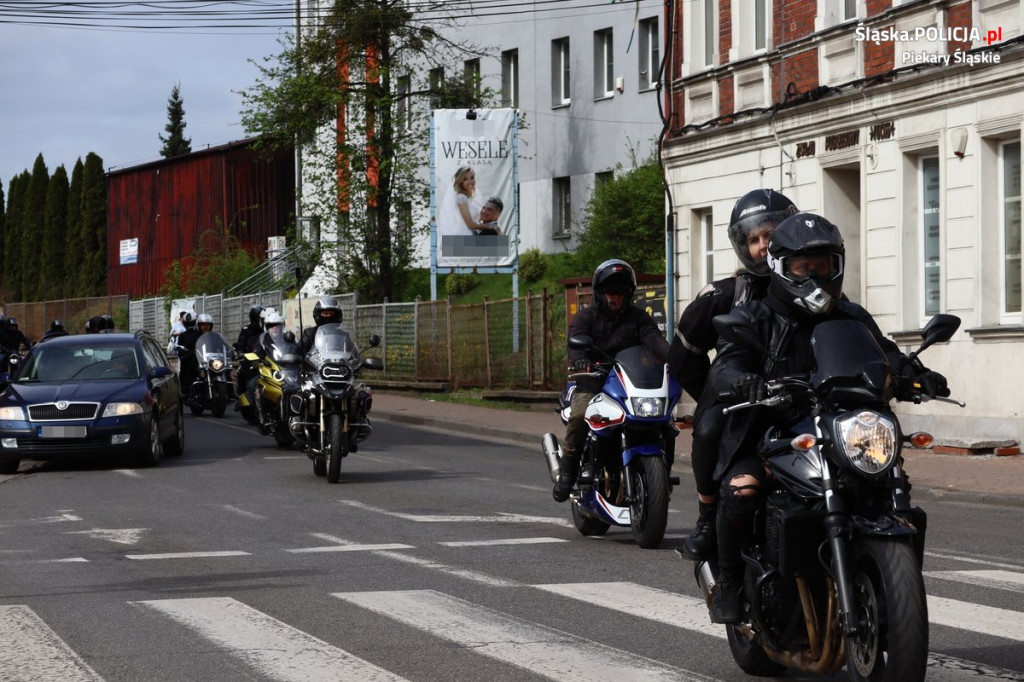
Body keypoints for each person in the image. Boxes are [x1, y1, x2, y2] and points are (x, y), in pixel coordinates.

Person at [704, 212, 949, 625]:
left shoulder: (851, 315)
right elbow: (725, 364)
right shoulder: (756, 317)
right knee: (742, 490)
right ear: (781, 268)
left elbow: (884, 353)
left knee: (892, 483)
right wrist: (741, 380)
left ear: (837, 266)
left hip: (845, 429)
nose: (815, 276)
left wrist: (914, 374)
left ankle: (891, 588)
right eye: (804, 267)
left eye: (823, 266)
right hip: (773, 431)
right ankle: (729, 581)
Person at [668, 189, 798, 560]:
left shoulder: (811, 285)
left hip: (796, 392)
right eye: (753, 239)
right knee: (708, 429)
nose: (761, 246)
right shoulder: (725, 295)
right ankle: (708, 513)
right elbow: (683, 356)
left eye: (769, 236)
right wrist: (716, 389)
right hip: (737, 392)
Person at [552, 259, 670, 502]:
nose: (614, 298)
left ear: (628, 295)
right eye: (609, 293)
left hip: (628, 383)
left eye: (619, 293)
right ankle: (569, 469)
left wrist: (674, 357)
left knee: (666, 423)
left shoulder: (639, 319)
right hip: (593, 381)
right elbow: (576, 341)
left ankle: (661, 476)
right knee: (579, 414)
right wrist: (580, 360)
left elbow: (654, 340)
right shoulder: (587, 317)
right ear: (600, 294)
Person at [438, 167, 495, 240]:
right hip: (463, 237)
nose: (470, 181)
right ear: (461, 181)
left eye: (472, 177)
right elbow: (470, 225)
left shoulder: (471, 198)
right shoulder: (461, 198)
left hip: (472, 235)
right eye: (465, 179)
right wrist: (491, 226)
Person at [176, 313, 202, 403]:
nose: (190, 325)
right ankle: (186, 391)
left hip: (202, 360)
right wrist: (183, 352)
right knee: (186, 369)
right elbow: (179, 350)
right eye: (188, 323)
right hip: (189, 360)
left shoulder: (200, 334)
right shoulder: (182, 336)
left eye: (192, 322)